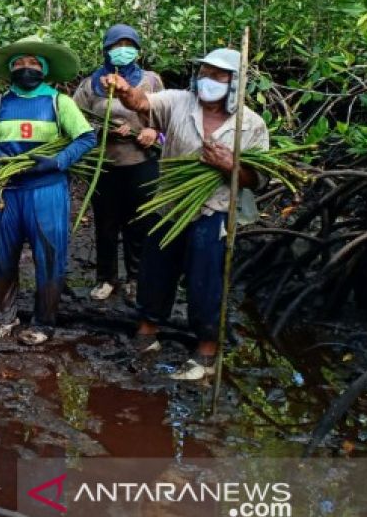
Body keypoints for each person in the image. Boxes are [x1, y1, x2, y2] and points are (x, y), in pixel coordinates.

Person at [102, 47, 269, 380]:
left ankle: (206, 351)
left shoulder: (250, 124)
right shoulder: (179, 102)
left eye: (218, 75)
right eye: (204, 73)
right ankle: (147, 334)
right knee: (155, 270)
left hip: (214, 212)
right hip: (169, 206)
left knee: (206, 280)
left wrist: (231, 166)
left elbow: (258, 179)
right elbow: (142, 103)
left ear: (235, 82)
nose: (208, 80)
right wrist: (124, 91)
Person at [0, 37, 97, 346]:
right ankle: (4, 316)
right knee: (3, 254)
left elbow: (85, 138)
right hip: (6, 189)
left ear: (43, 69)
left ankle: (44, 322)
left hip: (46, 190)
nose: (25, 68)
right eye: (19, 63)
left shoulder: (60, 102)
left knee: (49, 254)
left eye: (32, 63)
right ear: (10, 69)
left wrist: (58, 161)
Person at [72, 24, 164, 302]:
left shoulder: (150, 80)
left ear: (137, 49)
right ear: (106, 49)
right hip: (105, 165)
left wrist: (154, 133)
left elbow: (168, 117)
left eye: (128, 45)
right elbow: (75, 120)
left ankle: (136, 277)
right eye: (116, 45)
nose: (122, 50)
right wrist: (102, 130)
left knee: (140, 221)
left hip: (142, 163)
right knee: (106, 224)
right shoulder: (90, 84)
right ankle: (106, 278)